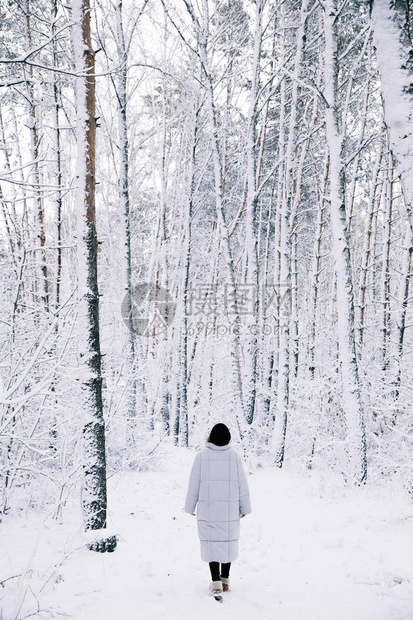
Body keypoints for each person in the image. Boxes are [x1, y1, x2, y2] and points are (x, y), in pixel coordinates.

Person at [184, 423, 251, 597]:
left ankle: (216, 583)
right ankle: (225, 580)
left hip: (208, 509)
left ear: (211, 437)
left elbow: (194, 483)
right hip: (229, 510)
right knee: (227, 542)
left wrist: (190, 506)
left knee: (212, 544)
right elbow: (242, 483)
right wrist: (245, 507)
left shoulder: (201, 457)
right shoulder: (234, 457)